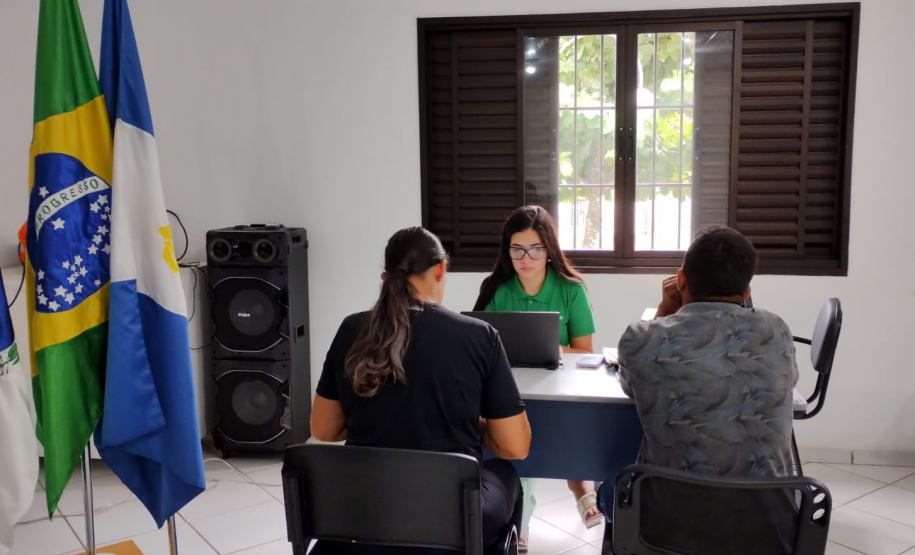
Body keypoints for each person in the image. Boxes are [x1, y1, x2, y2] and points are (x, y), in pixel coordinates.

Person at [312, 227, 531, 555]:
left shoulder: (350, 329)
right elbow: (514, 446)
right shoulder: (479, 337)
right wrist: (471, 424)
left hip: (363, 516)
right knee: (506, 472)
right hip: (453, 519)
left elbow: (324, 429)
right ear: (441, 268)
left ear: (386, 277)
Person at [598, 226, 799, 519]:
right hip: (769, 519)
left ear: (680, 280)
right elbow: (790, 380)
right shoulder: (776, 331)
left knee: (607, 489)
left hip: (669, 518)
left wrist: (664, 311)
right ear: (746, 292)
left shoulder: (640, 338)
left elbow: (634, 386)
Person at [473, 206, 600, 551]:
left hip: (558, 384)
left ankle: (580, 486)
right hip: (509, 388)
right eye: (517, 249)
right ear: (507, 250)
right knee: (516, 445)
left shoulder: (571, 290)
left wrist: (557, 349)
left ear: (549, 250)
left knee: (561, 432)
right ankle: (521, 522)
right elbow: (477, 342)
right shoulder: (496, 288)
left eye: (535, 249)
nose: (525, 258)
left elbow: (585, 350)